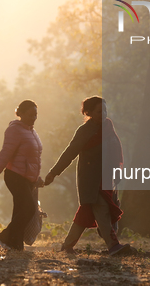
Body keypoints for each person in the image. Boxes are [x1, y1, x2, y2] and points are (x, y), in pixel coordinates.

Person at [44, 96, 129, 256]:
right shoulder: (84, 131)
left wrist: (117, 171)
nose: (103, 114)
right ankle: (113, 246)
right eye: (98, 111)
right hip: (90, 180)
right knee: (102, 209)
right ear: (88, 112)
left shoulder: (108, 127)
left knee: (85, 213)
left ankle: (67, 246)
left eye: (104, 110)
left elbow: (116, 148)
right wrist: (54, 172)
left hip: (106, 177)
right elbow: (70, 153)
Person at [0, 100, 43, 251]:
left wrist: (37, 178)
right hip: (15, 176)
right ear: (20, 114)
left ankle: (16, 245)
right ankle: (5, 237)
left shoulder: (32, 131)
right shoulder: (14, 130)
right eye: (30, 115)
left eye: (35, 115)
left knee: (19, 210)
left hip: (27, 179)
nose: (33, 118)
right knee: (29, 208)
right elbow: (5, 154)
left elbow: (34, 157)